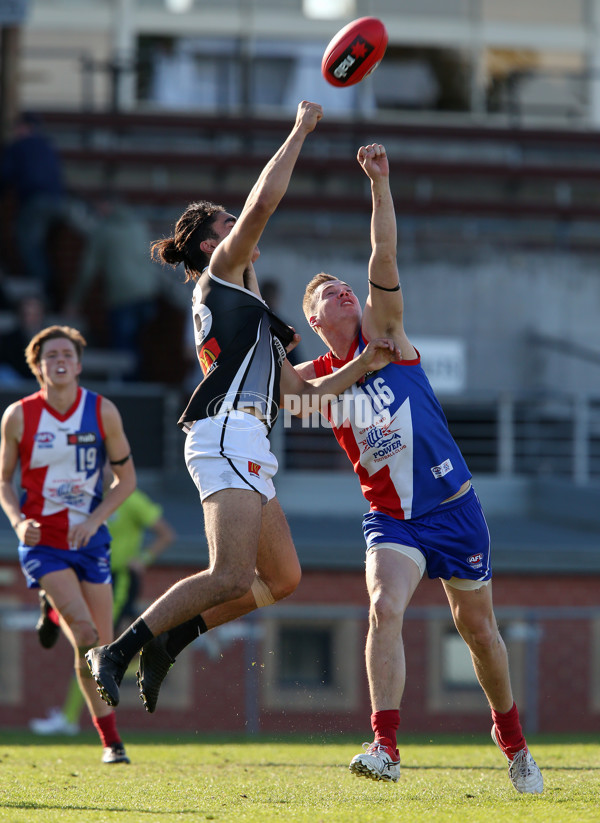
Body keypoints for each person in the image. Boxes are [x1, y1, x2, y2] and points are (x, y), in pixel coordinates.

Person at [84, 100, 400, 713]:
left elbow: (298, 396)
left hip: (248, 437)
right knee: (228, 575)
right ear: (211, 243)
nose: (243, 225)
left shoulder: (250, 309)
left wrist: (362, 365)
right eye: (228, 222)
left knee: (281, 579)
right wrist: (300, 130)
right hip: (224, 433)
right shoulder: (219, 276)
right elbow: (262, 205)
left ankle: (171, 640)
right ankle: (118, 650)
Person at [294, 143, 543, 793]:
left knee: (481, 633)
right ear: (313, 319)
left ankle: (512, 740)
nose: (339, 289)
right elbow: (289, 398)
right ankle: (385, 745)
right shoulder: (315, 374)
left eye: (340, 284)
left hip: (454, 508)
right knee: (384, 605)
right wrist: (356, 370)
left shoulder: (390, 335)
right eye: (324, 293)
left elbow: (384, 257)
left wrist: (379, 185)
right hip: (393, 518)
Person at [0, 325, 136, 763]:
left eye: (67, 353)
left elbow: (126, 479)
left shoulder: (102, 411)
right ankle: (111, 744)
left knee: (101, 648)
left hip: (91, 539)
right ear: (38, 366)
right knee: (84, 632)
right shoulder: (18, 416)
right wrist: (19, 522)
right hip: (44, 543)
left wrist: (96, 518)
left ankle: (51, 608)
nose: (59, 359)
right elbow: (4, 480)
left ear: (78, 364)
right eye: (50, 354)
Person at [30, 487, 176, 735]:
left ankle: (70, 719)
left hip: (118, 581)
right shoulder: (87, 496)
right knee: (90, 645)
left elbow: (166, 534)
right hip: (89, 576)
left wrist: (144, 558)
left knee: (95, 648)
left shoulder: (132, 499)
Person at [64, 194, 164, 379]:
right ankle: (141, 388)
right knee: (143, 347)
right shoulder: (138, 225)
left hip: (123, 296)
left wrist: (74, 301)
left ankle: (127, 394)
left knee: (123, 351)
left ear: (105, 206)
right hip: (148, 293)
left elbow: (88, 269)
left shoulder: (104, 230)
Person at [0, 112, 65, 298]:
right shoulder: (47, 145)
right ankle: (49, 287)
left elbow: (5, 175)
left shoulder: (19, 147)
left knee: (28, 242)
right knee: (40, 244)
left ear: (25, 127)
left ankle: (43, 290)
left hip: (37, 201)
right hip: (58, 201)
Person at [0, 294, 47, 385]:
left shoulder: (53, 340)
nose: (32, 319)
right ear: (20, 316)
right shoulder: (7, 340)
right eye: (28, 314)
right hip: (15, 384)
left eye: (36, 314)